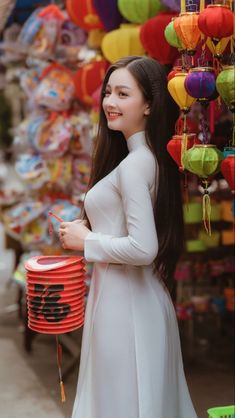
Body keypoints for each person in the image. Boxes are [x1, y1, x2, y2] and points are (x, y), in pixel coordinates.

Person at [59, 55, 198, 418]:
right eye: (108, 92)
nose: (110, 102)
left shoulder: (136, 165)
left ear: (149, 105)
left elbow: (143, 248)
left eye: (123, 93)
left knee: (123, 405)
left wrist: (85, 242)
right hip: (126, 301)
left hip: (128, 309)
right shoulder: (144, 159)